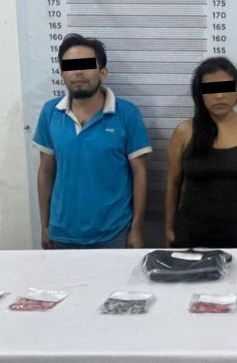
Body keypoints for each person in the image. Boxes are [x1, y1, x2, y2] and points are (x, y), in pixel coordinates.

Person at [33, 33, 152, 249]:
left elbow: (140, 174)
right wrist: (44, 225)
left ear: (103, 72)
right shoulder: (50, 112)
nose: (78, 72)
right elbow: (46, 171)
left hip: (114, 234)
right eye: (71, 66)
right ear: (62, 74)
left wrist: (137, 228)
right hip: (61, 234)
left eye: (86, 65)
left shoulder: (127, 114)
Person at [165, 57, 237, 248]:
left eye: (226, 87)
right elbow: (173, 183)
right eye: (210, 89)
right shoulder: (184, 131)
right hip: (192, 235)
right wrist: (168, 229)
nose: (219, 95)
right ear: (200, 94)